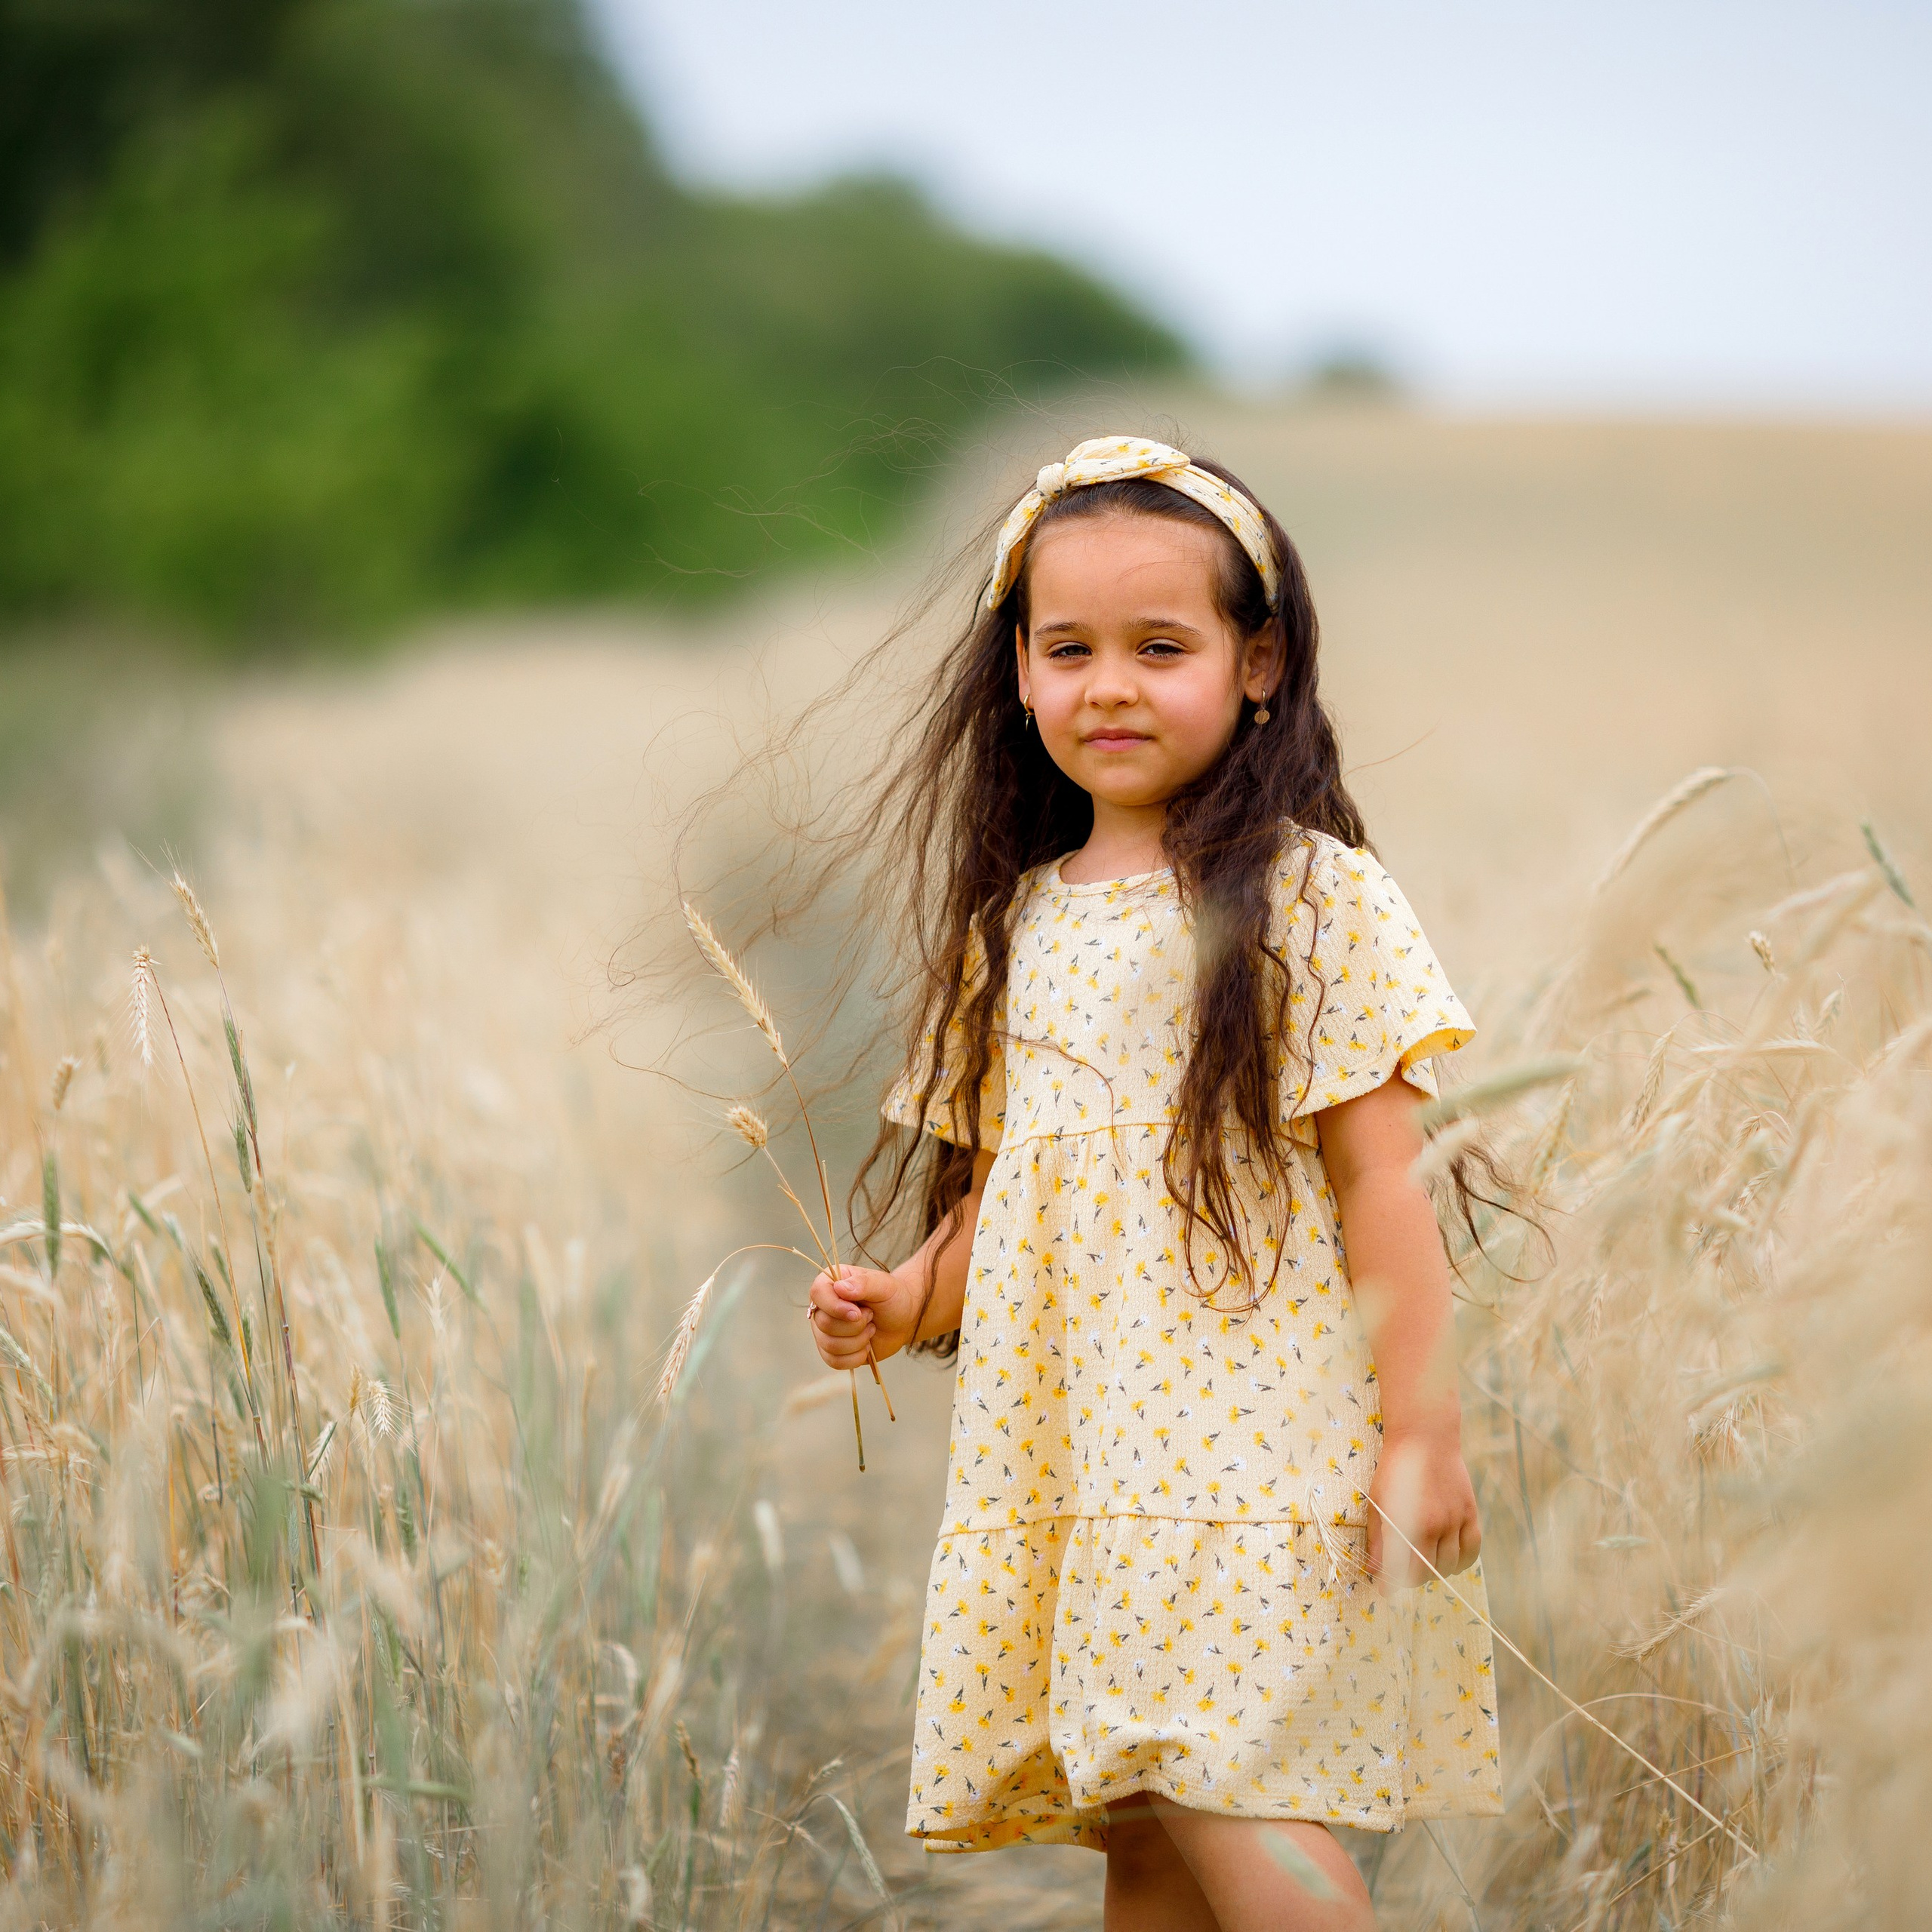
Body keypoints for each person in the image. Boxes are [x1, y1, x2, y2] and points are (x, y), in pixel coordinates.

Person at [806, 435, 1504, 1930]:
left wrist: (1422, 1432)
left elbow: (1387, 1178)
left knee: (1234, 1794)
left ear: (1255, 665)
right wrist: (902, 1292)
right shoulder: (1009, 930)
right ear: (1016, 673)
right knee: (1144, 1834)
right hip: (1081, 1468)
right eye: (1068, 648)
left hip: (1244, 1467)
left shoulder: (1304, 894)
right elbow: (1007, 1199)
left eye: (1158, 646)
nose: (1107, 684)